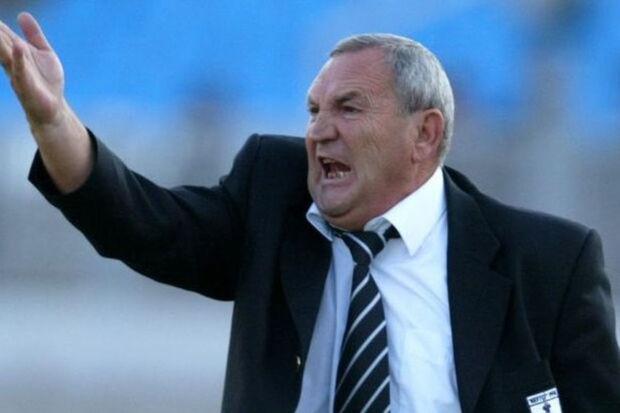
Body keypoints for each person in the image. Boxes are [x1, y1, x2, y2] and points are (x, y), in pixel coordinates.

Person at [1, 12, 619, 413]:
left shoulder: (549, 263)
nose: (319, 131)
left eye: (348, 109)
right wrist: (53, 122)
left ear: (425, 133)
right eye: (313, 110)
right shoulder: (275, 196)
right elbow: (145, 223)